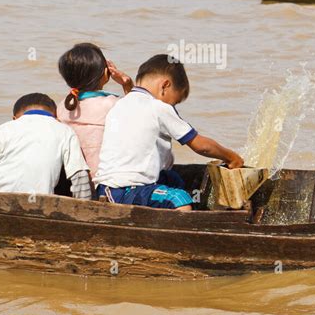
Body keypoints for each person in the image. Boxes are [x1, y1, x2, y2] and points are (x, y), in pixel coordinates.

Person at [95, 54, 244, 211]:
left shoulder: (120, 103)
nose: (173, 107)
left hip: (106, 189)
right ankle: (180, 231)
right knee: (180, 198)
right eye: (175, 102)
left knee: (172, 179)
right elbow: (201, 146)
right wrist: (232, 157)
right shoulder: (159, 108)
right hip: (125, 191)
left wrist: (127, 84)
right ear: (165, 86)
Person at [0, 93, 91, 198]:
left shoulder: (6, 128)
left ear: (14, 118)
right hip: (39, 200)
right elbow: (80, 176)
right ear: (56, 117)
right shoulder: (64, 130)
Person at [57, 43, 133, 179]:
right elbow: (140, 115)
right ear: (106, 72)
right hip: (104, 180)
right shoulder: (112, 103)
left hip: (71, 181)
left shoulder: (63, 106)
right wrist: (127, 84)